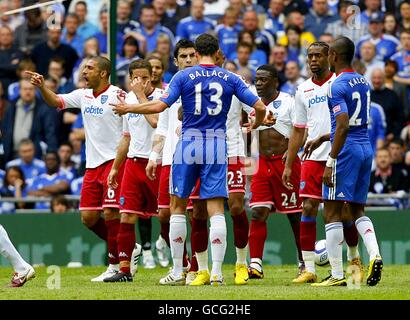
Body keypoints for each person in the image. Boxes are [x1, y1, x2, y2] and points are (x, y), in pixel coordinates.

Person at [110, 34, 267, 286]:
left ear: (196, 53)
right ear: (216, 52)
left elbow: (159, 107)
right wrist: (255, 124)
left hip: (189, 141)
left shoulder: (183, 77)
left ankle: (177, 270)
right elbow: (259, 108)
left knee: (178, 207)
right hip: (217, 142)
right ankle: (216, 273)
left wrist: (129, 108)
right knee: (216, 207)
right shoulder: (231, 78)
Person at [25, 56, 136, 282]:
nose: (84, 71)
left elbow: (129, 129)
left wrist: (121, 161)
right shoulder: (83, 95)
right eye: (84, 67)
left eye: (90, 68)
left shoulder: (118, 96)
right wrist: (42, 87)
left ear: (103, 73)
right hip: (92, 165)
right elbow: (56, 101)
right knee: (88, 217)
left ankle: (115, 264)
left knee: (112, 213)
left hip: (114, 162)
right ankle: (128, 246)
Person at [283, 42, 364, 284]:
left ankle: (354, 258)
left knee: (345, 212)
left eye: (318, 55)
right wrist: (289, 162)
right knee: (307, 207)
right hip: (311, 158)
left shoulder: (338, 83)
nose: (314, 60)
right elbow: (298, 130)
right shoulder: (303, 89)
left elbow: (347, 123)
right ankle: (308, 268)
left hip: (339, 156)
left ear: (329, 57)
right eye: (310, 56)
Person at [311, 36, 383, 287]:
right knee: (356, 209)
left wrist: (330, 160)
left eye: (327, 54)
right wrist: (323, 137)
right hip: (365, 148)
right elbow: (352, 121)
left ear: (333, 55)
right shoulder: (362, 80)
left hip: (347, 151)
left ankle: (337, 275)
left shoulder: (335, 85)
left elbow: (342, 125)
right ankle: (374, 254)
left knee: (330, 210)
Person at [104, 59, 164, 282]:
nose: (141, 82)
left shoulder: (161, 98)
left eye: (145, 78)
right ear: (130, 79)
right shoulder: (127, 101)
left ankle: (183, 264)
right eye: (136, 78)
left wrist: (140, 98)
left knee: (167, 217)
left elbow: (156, 123)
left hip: (158, 163)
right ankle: (125, 270)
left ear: (152, 77)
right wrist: (115, 168)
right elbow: (126, 138)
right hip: (133, 164)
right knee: (126, 216)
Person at [146, 39, 198, 277]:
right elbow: (163, 128)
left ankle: (197, 266)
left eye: (191, 55)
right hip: (170, 158)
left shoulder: (204, 85)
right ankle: (182, 261)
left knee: (195, 212)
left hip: (196, 156)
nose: (188, 60)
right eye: (183, 57)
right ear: (176, 61)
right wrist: (153, 155)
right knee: (164, 214)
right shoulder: (170, 91)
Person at [247, 64, 303, 280]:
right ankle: (255, 264)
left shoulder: (289, 101)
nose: (259, 83)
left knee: (295, 216)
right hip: (261, 163)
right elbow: (246, 133)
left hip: (285, 164)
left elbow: (301, 130)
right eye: (257, 79)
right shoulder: (251, 102)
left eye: (263, 79)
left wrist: (291, 154)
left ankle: (303, 260)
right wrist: (248, 166)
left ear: (275, 82)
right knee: (258, 212)